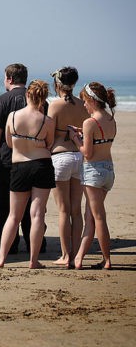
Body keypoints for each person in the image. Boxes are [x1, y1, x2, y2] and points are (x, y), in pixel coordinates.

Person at [0, 80, 55, 269]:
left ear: (27, 95)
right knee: (37, 214)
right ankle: (34, 260)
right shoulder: (47, 120)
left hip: (19, 165)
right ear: (43, 98)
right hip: (41, 164)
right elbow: (49, 144)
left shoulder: (13, 116)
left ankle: (1, 258)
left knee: (13, 215)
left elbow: (8, 142)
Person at [0, 63, 33, 254]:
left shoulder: (3, 99)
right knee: (31, 205)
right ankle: (34, 243)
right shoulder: (37, 99)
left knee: (5, 205)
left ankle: (9, 244)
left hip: (8, 158)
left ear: (10, 79)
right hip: (33, 157)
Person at [71, 82, 117, 270]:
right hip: (108, 170)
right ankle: (79, 258)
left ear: (91, 100)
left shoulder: (90, 122)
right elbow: (102, 140)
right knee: (90, 216)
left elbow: (87, 153)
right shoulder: (111, 119)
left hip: (94, 171)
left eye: (84, 101)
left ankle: (106, 260)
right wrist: (84, 134)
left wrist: (75, 138)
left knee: (98, 217)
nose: (83, 105)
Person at [48, 67, 88, 267]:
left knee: (63, 210)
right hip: (79, 157)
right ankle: (76, 254)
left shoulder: (54, 106)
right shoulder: (83, 105)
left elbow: (49, 135)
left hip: (60, 156)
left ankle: (66, 255)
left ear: (58, 83)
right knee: (76, 210)